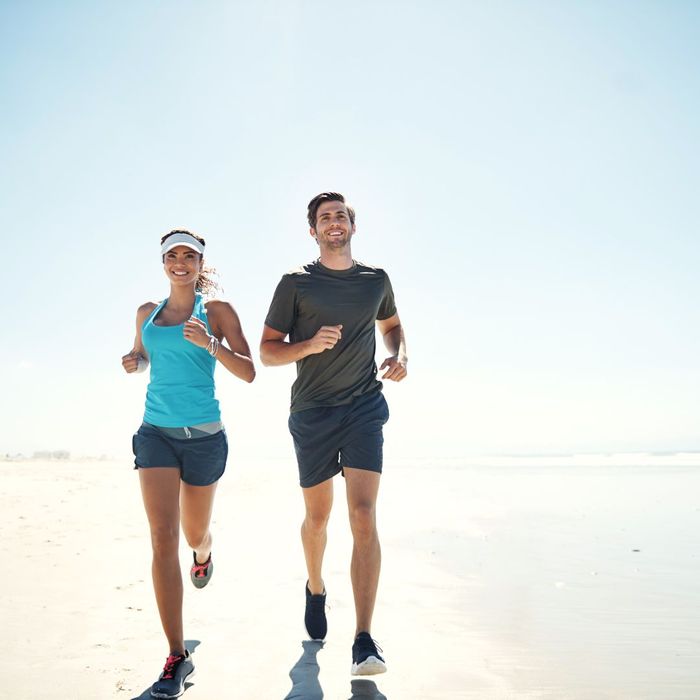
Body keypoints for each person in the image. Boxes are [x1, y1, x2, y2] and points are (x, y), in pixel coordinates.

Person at [260, 192, 408, 676]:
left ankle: (364, 638)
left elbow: (392, 325)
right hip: (313, 412)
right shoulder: (295, 284)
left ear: (352, 225)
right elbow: (267, 352)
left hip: (364, 406)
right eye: (325, 218)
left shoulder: (376, 280)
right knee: (318, 519)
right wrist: (308, 344)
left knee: (363, 515)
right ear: (313, 231)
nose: (334, 223)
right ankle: (316, 586)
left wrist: (399, 354)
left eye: (340, 215)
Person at [122, 230, 255, 699]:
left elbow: (249, 370)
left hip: (204, 439)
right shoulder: (147, 314)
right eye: (172, 256)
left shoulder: (216, 312)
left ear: (201, 263)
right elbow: (142, 357)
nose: (180, 262)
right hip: (155, 432)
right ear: (163, 263)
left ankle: (204, 552)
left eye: (189, 256)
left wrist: (210, 345)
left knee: (192, 533)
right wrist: (133, 362)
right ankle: (176, 655)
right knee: (162, 537)